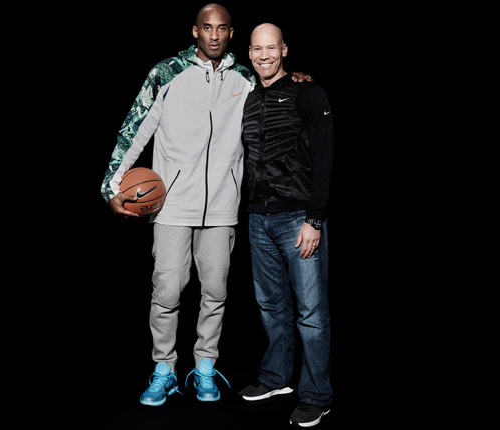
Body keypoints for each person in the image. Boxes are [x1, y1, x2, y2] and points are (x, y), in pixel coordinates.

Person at [101, 4, 310, 407]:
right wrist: (111, 185)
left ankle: (205, 366)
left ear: (231, 33)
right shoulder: (167, 73)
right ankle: (164, 369)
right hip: (172, 205)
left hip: (222, 206)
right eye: (207, 27)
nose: (214, 35)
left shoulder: (245, 78)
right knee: (167, 290)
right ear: (195, 31)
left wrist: (296, 80)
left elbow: (276, 88)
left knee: (215, 292)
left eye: (222, 28)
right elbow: (134, 128)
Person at [238, 23, 334, 427]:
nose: (264, 56)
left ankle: (316, 395)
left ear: (284, 50)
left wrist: (314, 218)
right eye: (257, 49)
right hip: (258, 218)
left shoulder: (307, 93)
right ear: (249, 52)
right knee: (270, 306)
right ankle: (276, 377)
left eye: (271, 48)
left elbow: (325, 157)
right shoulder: (246, 97)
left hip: (298, 219)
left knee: (311, 312)